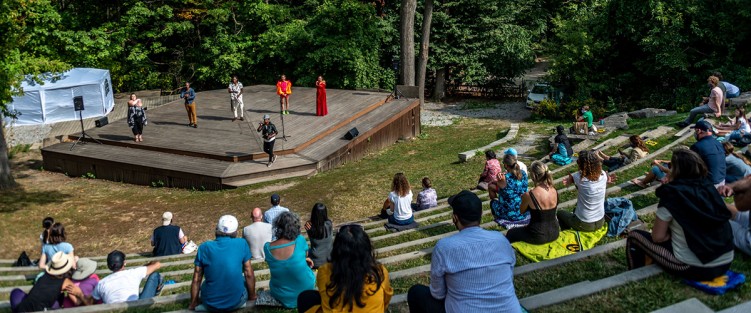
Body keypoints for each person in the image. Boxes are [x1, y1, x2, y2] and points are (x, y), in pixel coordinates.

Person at [626, 149, 734, 281]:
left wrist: (670, 234)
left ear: (676, 171)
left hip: (698, 267)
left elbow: (658, 238)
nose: (668, 170)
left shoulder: (671, 194)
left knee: (634, 236)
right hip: (726, 260)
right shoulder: (709, 187)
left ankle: (633, 277)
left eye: (671, 167)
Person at [407, 190, 521, 313]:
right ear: (481, 214)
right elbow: (509, 272)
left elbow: (438, 294)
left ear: (454, 218)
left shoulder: (444, 247)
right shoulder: (501, 240)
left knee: (416, 292)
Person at [297, 224, 393, 313]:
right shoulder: (379, 272)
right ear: (366, 247)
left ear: (336, 249)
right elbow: (386, 299)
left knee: (306, 298)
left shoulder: (324, 271)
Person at [190, 215, 256, 311]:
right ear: (235, 231)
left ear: (217, 228)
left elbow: (197, 278)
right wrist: (252, 296)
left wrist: (193, 303)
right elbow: (248, 273)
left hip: (210, 304)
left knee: (205, 283)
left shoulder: (204, 247)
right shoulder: (241, 243)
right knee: (242, 280)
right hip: (237, 302)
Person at [264, 212, 316, 308]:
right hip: (305, 289)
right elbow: (304, 255)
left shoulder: (267, 247)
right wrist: (305, 259)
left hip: (282, 295)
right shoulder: (300, 240)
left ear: (277, 227)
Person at [505, 161, 560, 244]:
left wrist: (524, 198)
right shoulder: (554, 190)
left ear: (533, 175)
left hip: (538, 235)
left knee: (511, 233)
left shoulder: (530, 195)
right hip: (555, 232)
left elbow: (522, 211)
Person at [559, 150, 614, 232]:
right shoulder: (603, 175)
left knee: (560, 213)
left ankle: (569, 232)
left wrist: (571, 180)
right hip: (600, 221)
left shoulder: (578, 178)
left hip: (584, 224)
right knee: (576, 208)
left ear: (580, 164)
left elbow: (579, 184)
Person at [89, 250, 162, 304]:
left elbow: (93, 301)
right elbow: (157, 264)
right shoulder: (134, 272)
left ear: (108, 266)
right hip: (137, 308)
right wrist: (148, 264)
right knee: (155, 275)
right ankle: (155, 297)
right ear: (124, 263)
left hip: (113, 310)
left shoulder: (101, 283)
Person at [10, 252, 76, 312]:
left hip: (22, 309)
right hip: (41, 309)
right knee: (56, 303)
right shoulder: (66, 282)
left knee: (16, 292)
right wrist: (80, 294)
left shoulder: (44, 276)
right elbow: (77, 302)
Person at [489, 154, 529, 224]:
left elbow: (496, 184)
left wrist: (498, 176)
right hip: (523, 211)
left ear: (506, 165)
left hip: (508, 214)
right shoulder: (523, 173)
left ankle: (498, 216)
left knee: (493, 201)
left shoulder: (504, 178)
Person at [690, 120, 726, 186]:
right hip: (722, 182)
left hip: (708, 184)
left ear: (699, 131)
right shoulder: (718, 143)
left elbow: (690, 167)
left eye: (695, 131)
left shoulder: (697, 146)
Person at [304, 203, 334, 269]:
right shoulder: (329, 224)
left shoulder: (310, 228)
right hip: (329, 258)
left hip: (315, 261)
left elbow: (311, 225)